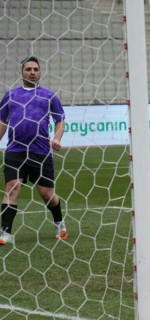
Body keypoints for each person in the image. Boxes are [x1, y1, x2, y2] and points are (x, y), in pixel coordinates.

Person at [0, 56, 67, 245]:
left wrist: (56, 138)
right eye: (28, 69)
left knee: (47, 195)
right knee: (12, 188)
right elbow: (2, 122)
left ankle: (59, 222)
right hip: (15, 151)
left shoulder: (49, 96)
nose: (32, 72)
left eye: (35, 69)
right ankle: (5, 233)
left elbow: (60, 120)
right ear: (21, 72)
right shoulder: (10, 96)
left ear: (40, 73)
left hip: (40, 152)